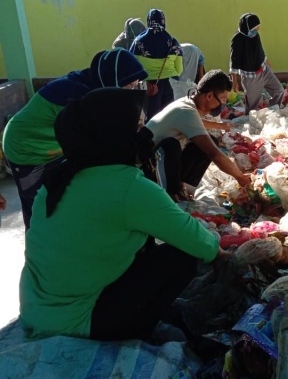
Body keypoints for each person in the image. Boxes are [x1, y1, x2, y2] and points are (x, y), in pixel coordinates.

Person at [19, 87, 231, 341]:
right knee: (182, 256)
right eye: (138, 126)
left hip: (36, 307)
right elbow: (193, 237)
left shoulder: (61, 175)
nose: (144, 134)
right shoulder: (127, 186)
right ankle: (141, 327)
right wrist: (225, 258)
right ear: (115, 133)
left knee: (143, 246)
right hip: (76, 319)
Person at [3, 48, 147, 231]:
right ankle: (38, 250)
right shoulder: (75, 95)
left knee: (59, 198)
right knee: (38, 206)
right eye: (128, 86)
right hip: (25, 148)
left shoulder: (94, 85)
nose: (131, 90)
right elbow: (94, 139)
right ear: (112, 79)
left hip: (53, 147)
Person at [146, 70, 250, 202]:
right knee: (176, 146)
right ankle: (168, 196)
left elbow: (198, 124)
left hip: (159, 161)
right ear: (209, 96)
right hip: (146, 167)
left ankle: (183, 190)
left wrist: (221, 126)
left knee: (207, 141)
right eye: (223, 100)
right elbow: (214, 154)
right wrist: (240, 177)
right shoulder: (186, 112)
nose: (223, 106)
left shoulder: (187, 103)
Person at [130, 9, 183, 121]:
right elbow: (179, 69)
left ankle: (151, 138)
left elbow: (131, 65)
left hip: (148, 85)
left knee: (152, 119)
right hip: (170, 84)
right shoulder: (172, 41)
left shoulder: (138, 42)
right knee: (169, 117)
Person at [230, 13, 285, 114]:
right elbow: (234, 61)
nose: (255, 32)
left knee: (279, 91)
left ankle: (273, 113)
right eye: (254, 30)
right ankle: (252, 126)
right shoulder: (237, 39)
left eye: (257, 30)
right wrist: (234, 81)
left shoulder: (255, 36)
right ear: (246, 27)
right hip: (251, 77)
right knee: (252, 108)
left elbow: (260, 50)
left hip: (264, 70)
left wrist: (266, 61)